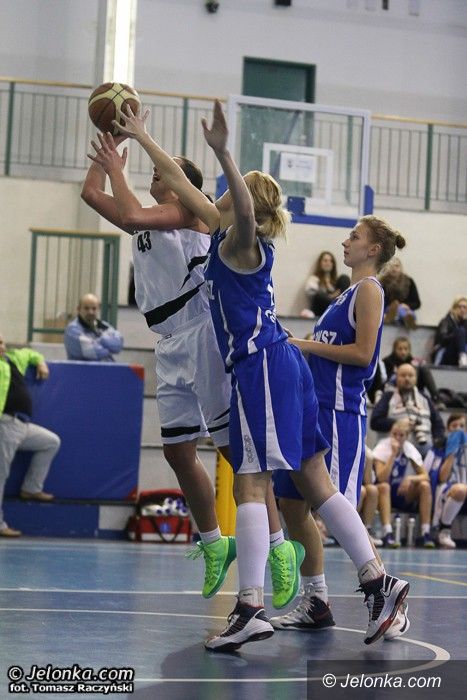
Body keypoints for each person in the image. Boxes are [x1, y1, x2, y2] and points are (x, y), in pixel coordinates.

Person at [116, 100, 409, 651]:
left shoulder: (241, 239)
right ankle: (378, 580)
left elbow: (240, 208)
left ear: (242, 199)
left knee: (251, 483)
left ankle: (250, 606)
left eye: (228, 191)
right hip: (284, 366)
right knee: (314, 482)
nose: (217, 196)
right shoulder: (221, 230)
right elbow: (180, 182)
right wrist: (143, 137)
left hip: (262, 365)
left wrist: (225, 153)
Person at [82, 130, 301, 609]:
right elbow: (93, 196)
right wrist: (105, 154)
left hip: (202, 332)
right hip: (168, 341)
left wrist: (120, 169)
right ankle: (214, 542)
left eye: (164, 171)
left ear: (183, 185)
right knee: (177, 451)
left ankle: (280, 545)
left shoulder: (190, 215)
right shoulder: (149, 219)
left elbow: (131, 212)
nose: (155, 174)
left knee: (232, 450)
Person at [271, 215, 410, 639]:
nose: (345, 242)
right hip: (312, 409)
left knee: (336, 507)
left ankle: (384, 593)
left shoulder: (370, 290)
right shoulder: (343, 295)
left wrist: (305, 344)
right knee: (290, 504)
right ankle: (316, 599)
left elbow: (364, 355)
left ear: (373, 249)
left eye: (355, 236)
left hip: (338, 411)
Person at [0, 334, 60, 537]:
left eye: (1, 342)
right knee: (1, 474)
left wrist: (40, 362)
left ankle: (31, 488)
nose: (1, 346)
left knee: (51, 442)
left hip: (22, 424)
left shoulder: (13, 359)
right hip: (5, 424)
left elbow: (29, 353)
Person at [373, 419, 435, 548]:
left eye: (401, 435)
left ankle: (425, 532)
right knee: (384, 487)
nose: (397, 438)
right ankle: (388, 533)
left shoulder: (409, 448)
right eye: (394, 434)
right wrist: (393, 455)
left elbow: (425, 476)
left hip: (402, 492)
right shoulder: (382, 447)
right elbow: (381, 478)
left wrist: (410, 479)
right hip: (383, 494)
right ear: (390, 433)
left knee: (425, 486)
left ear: (406, 437)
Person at [371, 363, 445, 458]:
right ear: (396, 378)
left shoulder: (425, 398)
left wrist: (437, 440)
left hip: (424, 450)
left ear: (416, 378)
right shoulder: (387, 397)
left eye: (410, 376)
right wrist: (398, 423)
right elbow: (375, 421)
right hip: (393, 451)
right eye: (403, 375)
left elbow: (438, 423)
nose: (407, 379)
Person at [425, 413, 466, 548]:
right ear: (448, 429)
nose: (458, 430)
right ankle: (444, 530)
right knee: (460, 490)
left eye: (462, 426)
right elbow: (442, 478)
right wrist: (451, 452)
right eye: (454, 426)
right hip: (447, 488)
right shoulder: (439, 447)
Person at [381, 336, 441, 405]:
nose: (403, 352)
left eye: (405, 349)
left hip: (415, 387)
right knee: (414, 368)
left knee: (423, 368)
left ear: (409, 350)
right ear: (394, 349)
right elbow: (385, 380)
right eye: (400, 349)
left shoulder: (413, 361)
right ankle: (410, 397)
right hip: (395, 387)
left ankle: (436, 397)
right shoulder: (387, 361)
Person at [64, 293, 123, 361]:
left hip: (107, 367)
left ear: (98, 309)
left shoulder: (104, 325)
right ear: (78, 309)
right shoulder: (72, 330)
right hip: (84, 368)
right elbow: (94, 352)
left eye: (94, 308)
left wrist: (99, 341)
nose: (90, 312)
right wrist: (109, 348)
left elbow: (118, 346)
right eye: (86, 308)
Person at [303, 251, 350, 317]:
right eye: (325, 261)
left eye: (331, 261)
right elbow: (314, 296)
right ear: (320, 263)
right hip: (321, 311)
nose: (328, 263)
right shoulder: (314, 279)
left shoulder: (336, 281)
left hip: (335, 310)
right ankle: (336, 304)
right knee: (319, 295)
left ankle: (340, 307)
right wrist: (333, 296)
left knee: (344, 278)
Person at [379, 257, 420, 329]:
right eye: (391, 266)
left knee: (403, 311)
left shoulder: (409, 281)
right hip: (388, 310)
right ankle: (406, 319)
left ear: (401, 267)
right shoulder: (382, 282)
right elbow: (380, 302)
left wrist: (407, 305)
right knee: (399, 310)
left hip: (404, 309)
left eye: (396, 266)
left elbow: (416, 303)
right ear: (386, 268)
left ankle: (408, 319)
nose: (394, 269)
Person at [432, 296, 467, 367]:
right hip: (445, 354)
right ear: (453, 308)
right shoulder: (446, 321)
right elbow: (443, 339)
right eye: (459, 307)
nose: (462, 310)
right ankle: (463, 357)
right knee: (460, 331)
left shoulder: (465, 323)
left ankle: (463, 357)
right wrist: (456, 335)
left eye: (465, 307)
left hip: (457, 355)